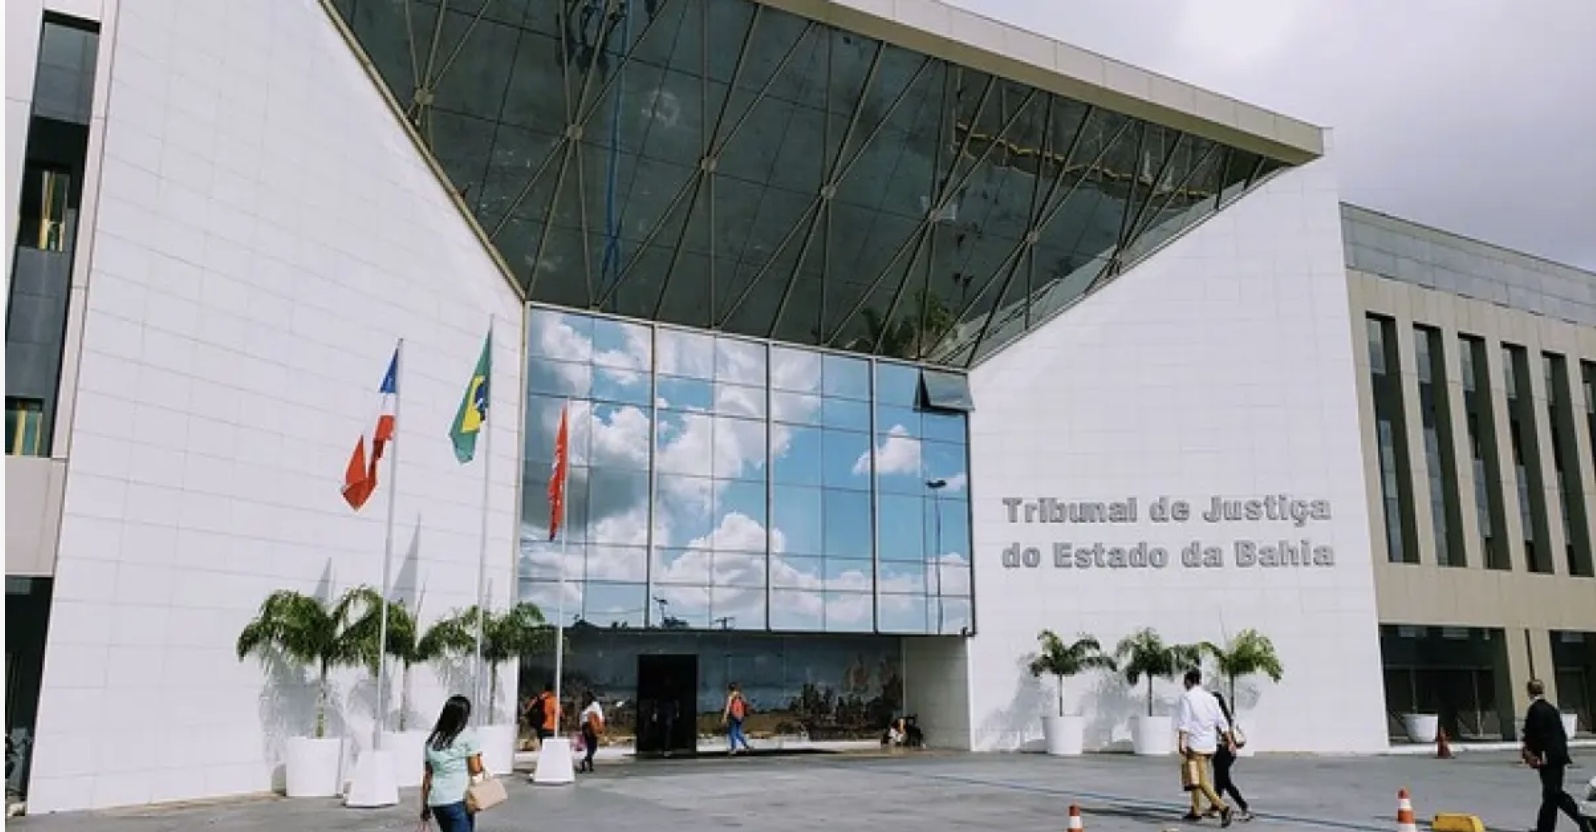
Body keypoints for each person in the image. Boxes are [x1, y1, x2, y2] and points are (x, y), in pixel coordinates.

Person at [1520, 679, 1593, 832]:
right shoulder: (1551, 708)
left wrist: (1531, 753)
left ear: (1529, 692)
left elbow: (1536, 735)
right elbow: (1560, 734)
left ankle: (1583, 819)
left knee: (1554, 793)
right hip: (1558, 756)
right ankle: (1545, 828)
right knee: (1550, 794)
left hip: (1547, 758)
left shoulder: (1535, 710)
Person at [1176, 669, 1233, 827]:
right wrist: (1229, 740)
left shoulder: (1187, 697)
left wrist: (1181, 741)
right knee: (1195, 775)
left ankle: (1223, 808)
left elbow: (1185, 721)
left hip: (1196, 744)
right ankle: (1196, 810)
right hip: (1210, 745)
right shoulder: (1211, 698)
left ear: (1188, 681)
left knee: (1201, 780)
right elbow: (1221, 721)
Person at [420, 695, 484, 832]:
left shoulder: (433, 740)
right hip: (458, 798)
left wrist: (425, 805)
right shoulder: (467, 736)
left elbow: (428, 777)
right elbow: (475, 769)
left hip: (437, 800)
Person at [1209, 691, 1254, 822]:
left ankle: (1244, 806)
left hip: (1223, 751)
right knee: (1219, 782)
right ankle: (1215, 807)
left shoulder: (1218, 717)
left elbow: (1220, 735)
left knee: (1225, 782)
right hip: (1227, 752)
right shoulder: (1228, 716)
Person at [721, 683, 753, 755]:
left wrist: (724, 717)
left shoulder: (730, 697)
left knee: (732, 733)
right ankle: (746, 746)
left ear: (730, 689)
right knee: (738, 732)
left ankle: (734, 749)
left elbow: (727, 708)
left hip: (733, 716)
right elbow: (746, 704)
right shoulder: (741, 695)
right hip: (740, 716)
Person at [578, 691, 604, 773]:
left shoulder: (584, 706)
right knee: (594, 746)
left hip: (585, 727)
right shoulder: (595, 705)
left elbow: (581, 719)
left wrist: (581, 729)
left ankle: (590, 766)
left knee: (590, 746)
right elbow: (600, 716)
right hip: (591, 726)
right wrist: (600, 727)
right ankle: (584, 761)